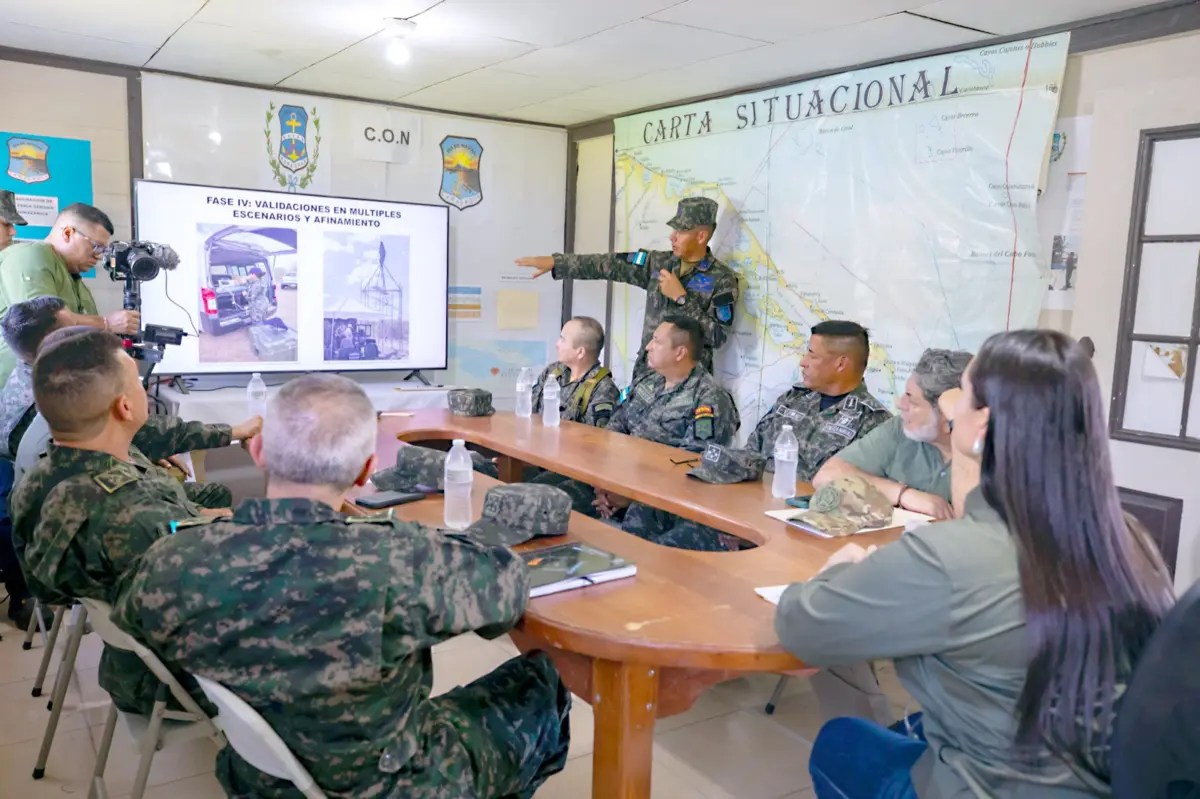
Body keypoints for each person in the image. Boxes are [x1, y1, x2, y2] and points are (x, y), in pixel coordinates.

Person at [112, 374, 571, 798]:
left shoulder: (173, 559)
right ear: (365, 469)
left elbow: (132, 622)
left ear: (258, 452)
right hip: (384, 784)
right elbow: (508, 590)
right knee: (541, 686)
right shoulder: (399, 561)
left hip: (259, 776)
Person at [776, 329, 1175, 798]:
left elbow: (801, 625)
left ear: (981, 424)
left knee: (842, 743)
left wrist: (840, 568)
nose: (950, 407)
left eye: (961, 394)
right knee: (919, 724)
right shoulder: (1131, 538)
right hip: (1102, 779)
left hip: (995, 786)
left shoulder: (951, 555)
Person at [9, 327, 236, 714]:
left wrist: (203, 520)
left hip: (130, 650)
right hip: (173, 681)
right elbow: (222, 598)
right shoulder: (137, 515)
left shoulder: (39, 478)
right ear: (125, 408)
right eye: (137, 384)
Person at [516, 197, 738, 381]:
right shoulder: (657, 262)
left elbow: (718, 337)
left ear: (701, 235)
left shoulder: (722, 280)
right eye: (674, 230)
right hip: (646, 378)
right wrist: (558, 263)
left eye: (681, 231)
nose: (673, 237)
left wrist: (682, 299)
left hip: (688, 387)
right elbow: (609, 264)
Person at [814, 348, 972, 520]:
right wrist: (903, 494)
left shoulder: (993, 452)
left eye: (912, 399)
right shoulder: (900, 428)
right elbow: (827, 476)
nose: (900, 404)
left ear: (947, 412)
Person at [0, 203, 140, 386]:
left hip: (54, 391)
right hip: (18, 396)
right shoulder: (31, 255)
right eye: (96, 246)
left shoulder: (75, 280)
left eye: (103, 250)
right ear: (67, 233)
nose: (98, 256)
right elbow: (41, 325)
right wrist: (107, 323)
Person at [744, 320, 891, 480]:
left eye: (812, 355)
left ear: (841, 364)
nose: (803, 362)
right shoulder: (792, 399)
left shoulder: (875, 423)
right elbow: (749, 456)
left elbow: (864, 489)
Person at [0, 296, 69, 628]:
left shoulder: (31, 369)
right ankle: (23, 596)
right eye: (70, 327)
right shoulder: (45, 392)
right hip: (10, 473)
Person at [530, 316, 619, 428]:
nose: (557, 345)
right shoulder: (553, 372)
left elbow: (594, 439)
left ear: (580, 352)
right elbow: (530, 413)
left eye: (563, 339)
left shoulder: (603, 390)